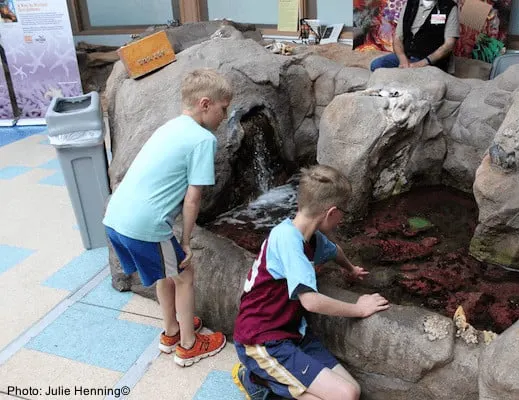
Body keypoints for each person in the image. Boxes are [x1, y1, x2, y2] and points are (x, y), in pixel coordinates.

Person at [103, 68, 232, 367]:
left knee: (165, 274)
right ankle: (188, 345)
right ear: (205, 104)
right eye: (223, 108)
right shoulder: (203, 139)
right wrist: (186, 241)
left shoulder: (170, 126)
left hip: (115, 218)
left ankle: (171, 330)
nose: (225, 116)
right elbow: (193, 197)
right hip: (143, 226)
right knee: (185, 275)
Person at [231, 165, 391, 400]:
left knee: (353, 391)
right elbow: (311, 302)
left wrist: (351, 269)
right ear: (332, 213)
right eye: (343, 213)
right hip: (262, 340)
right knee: (343, 395)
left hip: (293, 333)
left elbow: (333, 250)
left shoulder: (311, 238)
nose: (342, 219)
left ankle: (261, 380)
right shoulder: (286, 238)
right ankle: (256, 378)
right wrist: (358, 308)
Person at [370, 0, 460, 72]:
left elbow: (449, 44)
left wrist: (423, 63)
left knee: (410, 76)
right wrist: (403, 59)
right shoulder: (409, 4)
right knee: (376, 65)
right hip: (407, 56)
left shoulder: (449, 7)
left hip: (430, 62)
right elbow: (397, 37)